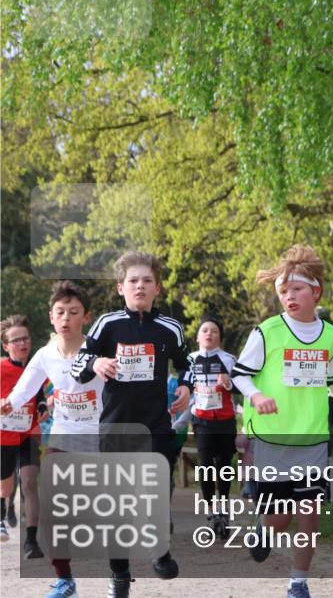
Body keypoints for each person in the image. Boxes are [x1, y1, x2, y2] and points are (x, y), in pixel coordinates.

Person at [231, 244, 333, 598]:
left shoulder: (332, 337)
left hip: (312, 439)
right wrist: (256, 396)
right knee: (279, 519)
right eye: (283, 291)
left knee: (310, 516)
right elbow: (240, 375)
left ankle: (297, 582)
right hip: (273, 439)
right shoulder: (266, 332)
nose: (289, 296)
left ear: (315, 291)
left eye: (297, 289)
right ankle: (264, 528)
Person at [71, 251, 192, 598]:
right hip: (116, 429)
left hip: (156, 426)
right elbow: (79, 365)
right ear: (121, 288)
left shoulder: (170, 328)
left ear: (158, 288)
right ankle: (119, 576)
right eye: (133, 281)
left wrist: (185, 385)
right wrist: (97, 364)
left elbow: (188, 365)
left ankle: (159, 549)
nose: (140, 286)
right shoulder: (107, 324)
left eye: (147, 281)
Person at [2, 282, 102, 598]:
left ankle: (119, 574)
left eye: (73, 312)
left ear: (85, 317)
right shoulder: (45, 355)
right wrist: (8, 404)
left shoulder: (99, 351)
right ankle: (65, 579)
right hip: (63, 437)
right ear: (50, 317)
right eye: (60, 312)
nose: (66, 318)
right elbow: (24, 390)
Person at [0, 314, 47, 559]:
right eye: (15, 340)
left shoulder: (38, 366)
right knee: (5, 486)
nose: (22, 343)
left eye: (25, 338)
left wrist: (43, 406)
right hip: (3, 437)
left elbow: (40, 392)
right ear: (6, 346)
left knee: (29, 483)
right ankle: (2, 512)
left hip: (28, 434)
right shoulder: (1, 367)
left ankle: (31, 541)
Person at [188, 315, 237, 532]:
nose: (209, 334)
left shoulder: (229, 359)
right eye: (205, 330)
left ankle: (223, 508)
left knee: (224, 466)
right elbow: (185, 391)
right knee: (206, 464)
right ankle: (210, 509)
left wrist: (228, 384)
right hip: (202, 420)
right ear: (198, 336)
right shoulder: (190, 360)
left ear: (220, 337)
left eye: (214, 331)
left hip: (225, 420)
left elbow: (240, 386)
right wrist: (179, 420)